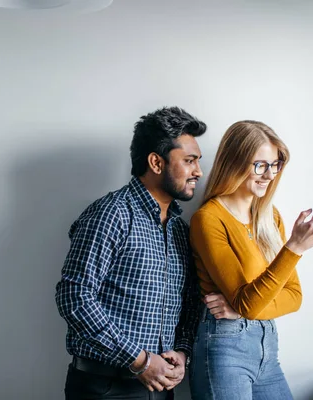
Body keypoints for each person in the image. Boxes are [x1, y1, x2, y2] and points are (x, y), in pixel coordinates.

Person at [55, 106, 234, 399]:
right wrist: (139, 360)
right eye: (189, 161)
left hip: (160, 387)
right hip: (106, 388)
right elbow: (74, 296)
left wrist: (182, 351)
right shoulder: (111, 214)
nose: (198, 172)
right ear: (156, 162)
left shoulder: (179, 228)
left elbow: (188, 300)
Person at [188, 120, 313, 400]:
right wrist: (294, 248)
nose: (269, 174)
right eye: (260, 165)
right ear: (234, 163)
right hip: (225, 349)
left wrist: (244, 308)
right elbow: (250, 305)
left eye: (275, 164)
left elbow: (294, 296)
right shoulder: (208, 220)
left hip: (267, 347)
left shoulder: (270, 216)